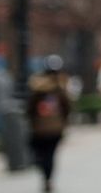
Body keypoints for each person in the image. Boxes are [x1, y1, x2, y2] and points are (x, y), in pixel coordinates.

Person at [27, 59, 70, 193]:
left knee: (40, 154)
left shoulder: (38, 89)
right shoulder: (60, 88)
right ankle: (48, 178)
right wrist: (63, 122)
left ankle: (45, 176)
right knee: (50, 155)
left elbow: (30, 108)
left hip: (39, 129)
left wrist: (32, 122)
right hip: (55, 129)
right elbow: (67, 107)